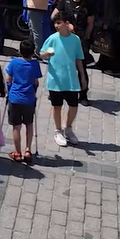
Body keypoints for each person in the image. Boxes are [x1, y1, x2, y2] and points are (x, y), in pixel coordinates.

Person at [40, 15, 87, 148]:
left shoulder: (75, 39)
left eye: (59, 23)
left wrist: (82, 76)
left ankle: (68, 128)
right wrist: (47, 54)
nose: (56, 26)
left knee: (73, 105)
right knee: (57, 106)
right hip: (55, 80)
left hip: (71, 79)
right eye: (55, 23)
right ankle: (58, 130)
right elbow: (41, 52)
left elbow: (79, 59)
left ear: (67, 23)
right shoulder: (53, 38)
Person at [4, 39, 41, 164]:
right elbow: (36, 82)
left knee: (16, 126)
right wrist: (34, 91)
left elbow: (8, 80)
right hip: (29, 99)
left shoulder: (14, 63)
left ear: (20, 51)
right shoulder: (35, 64)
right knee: (29, 124)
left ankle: (17, 152)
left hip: (15, 98)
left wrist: (9, 92)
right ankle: (28, 150)